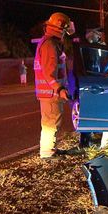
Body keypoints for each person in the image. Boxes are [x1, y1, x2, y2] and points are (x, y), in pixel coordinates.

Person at [34, 12, 75, 160]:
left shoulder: (50, 42)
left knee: (52, 121)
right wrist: (59, 88)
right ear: (60, 28)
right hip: (51, 93)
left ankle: (51, 149)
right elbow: (49, 72)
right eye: (65, 29)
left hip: (49, 92)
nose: (66, 33)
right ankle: (47, 153)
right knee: (51, 123)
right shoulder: (50, 45)